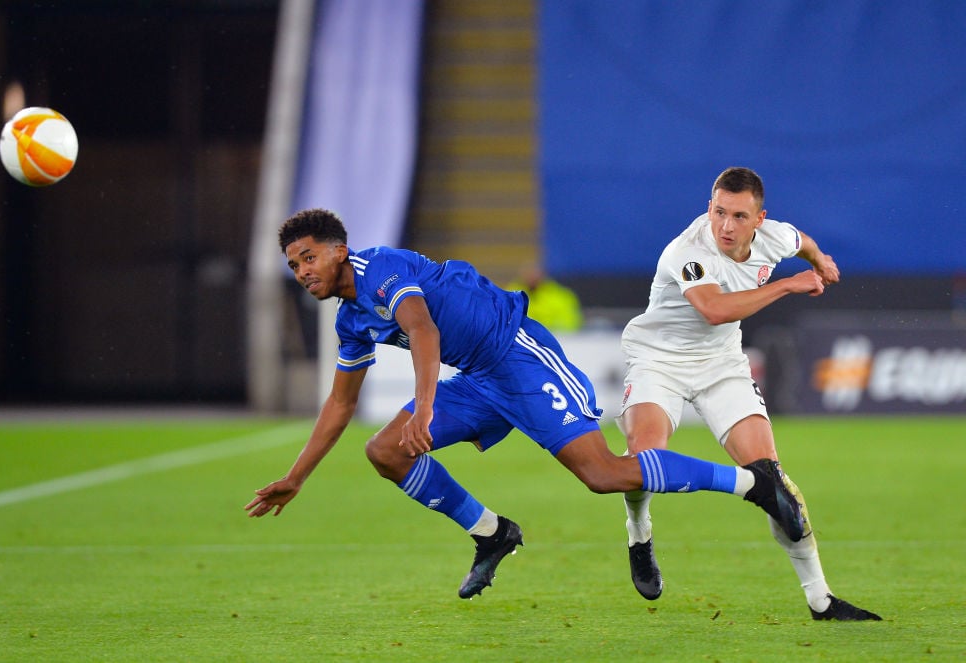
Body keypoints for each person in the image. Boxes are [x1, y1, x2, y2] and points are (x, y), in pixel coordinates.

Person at [246, 207, 806, 600]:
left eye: (308, 257)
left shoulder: (379, 269)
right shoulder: (349, 320)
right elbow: (340, 405)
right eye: (294, 266)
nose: (303, 272)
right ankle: (491, 533)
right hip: (477, 379)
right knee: (386, 451)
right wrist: (297, 476)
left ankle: (755, 484)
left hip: (517, 356)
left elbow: (422, 331)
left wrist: (421, 408)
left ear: (339, 250)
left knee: (604, 473)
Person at [616, 167, 881, 621]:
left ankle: (820, 599)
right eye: (719, 212)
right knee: (645, 460)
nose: (725, 226)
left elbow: (802, 240)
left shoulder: (775, 237)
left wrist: (819, 261)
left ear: (759, 219)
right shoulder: (688, 251)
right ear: (709, 208)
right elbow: (714, 310)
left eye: (739, 216)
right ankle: (638, 531)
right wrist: (790, 284)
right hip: (658, 362)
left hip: (722, 368)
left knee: (774, 481)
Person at [506, 263, 583, 332]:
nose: (531, 277)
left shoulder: (561, 296)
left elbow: (570, 322)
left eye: (534, 274)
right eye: (528, 274)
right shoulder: (509, 295)